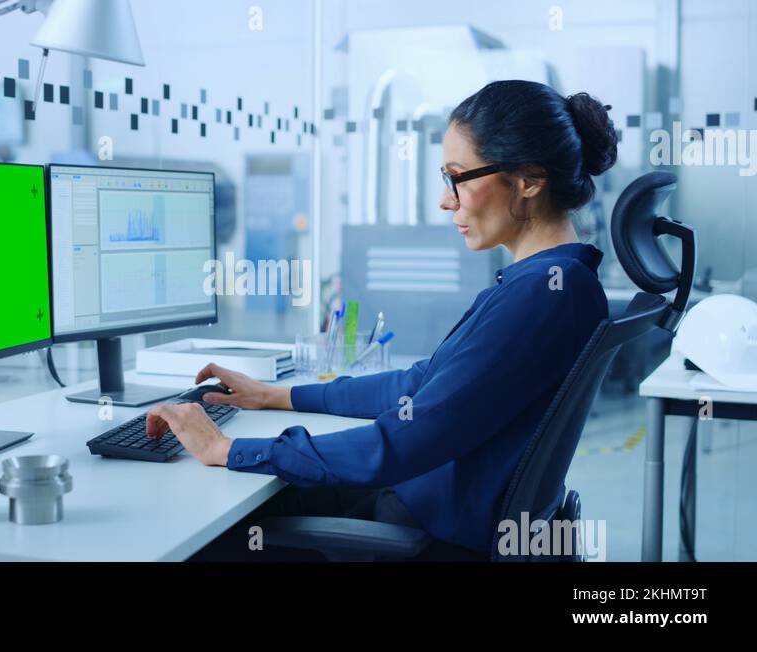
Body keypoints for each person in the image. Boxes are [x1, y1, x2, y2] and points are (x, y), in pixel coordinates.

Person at [146, 80, 617, 558]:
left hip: (426, 530)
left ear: (529, 180)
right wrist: (277, 395)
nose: (446, 199)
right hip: (426, 506)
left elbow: (406, 441)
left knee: (213, 538)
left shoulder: (543, 294)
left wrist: (226, 450)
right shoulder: (554, 280)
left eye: (459, 176)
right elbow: (422, 385)